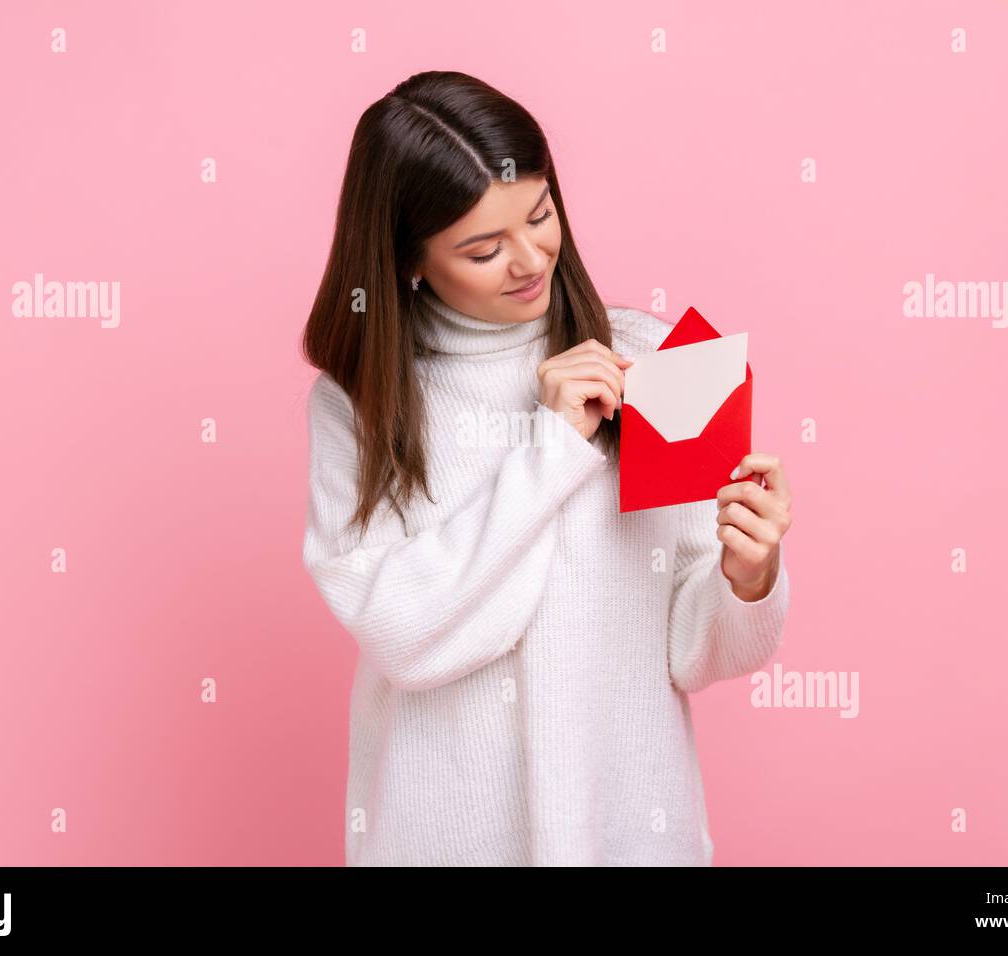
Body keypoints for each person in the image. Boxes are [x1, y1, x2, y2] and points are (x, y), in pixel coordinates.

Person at [300, 70, 793, 866]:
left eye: (540, 214)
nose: (531, 259)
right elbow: (404, 634)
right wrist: (551, 450)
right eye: (484, 248)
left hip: (633, 839)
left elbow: (696, 653)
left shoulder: (656, 358)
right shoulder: (359, 407)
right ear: (408, 261)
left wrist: (749, 576)